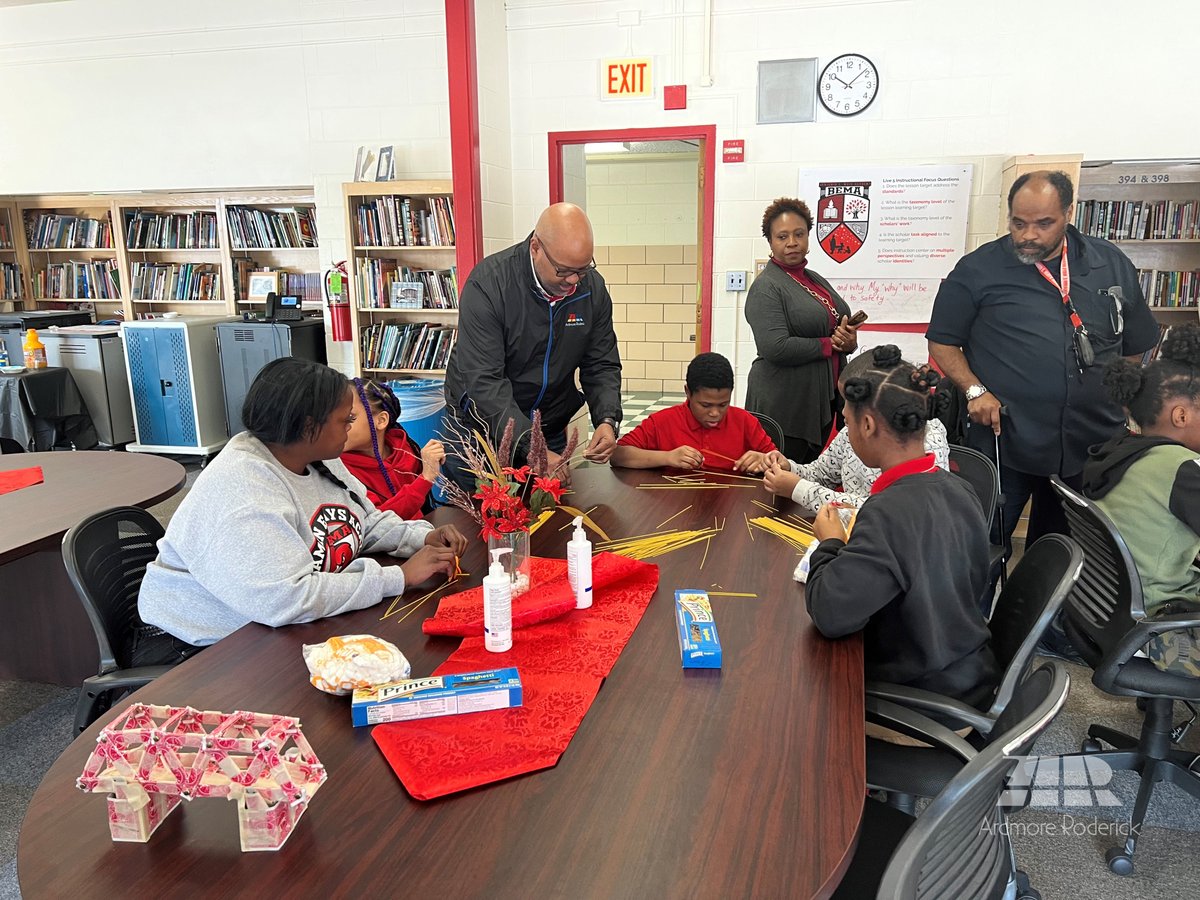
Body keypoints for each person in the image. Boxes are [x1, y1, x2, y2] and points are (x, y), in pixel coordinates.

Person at [137, 357, 467, 661]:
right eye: (345, 420)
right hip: (198, 647)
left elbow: (364, 520)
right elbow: (287, 599)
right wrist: (400, 577)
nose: (350, 428)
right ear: (308, 426)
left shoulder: (320, 458)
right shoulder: (245, 492)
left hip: (268, 624)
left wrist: (422, 538)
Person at [927, 170, 1159, 551]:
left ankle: (1047, 611)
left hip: (1091, 442)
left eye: (1043, 223)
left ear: (1068, 212)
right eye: (1018, 223)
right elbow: (943, 342)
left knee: (1068, 552)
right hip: (1008, 439)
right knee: (982, 545)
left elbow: (1136, 342)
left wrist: (1120, 391)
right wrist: (974, 390)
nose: (1028, 235)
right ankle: (977, 612)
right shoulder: (976, 270)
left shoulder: (1109, 263)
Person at [805, 345, 998, 710]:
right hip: (969, 675)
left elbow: (829, 613)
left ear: (867, 425)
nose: (846, 428)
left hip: (924, 699)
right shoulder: (961, 489)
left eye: (846, 422)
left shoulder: (888, 512)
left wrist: (829, 544)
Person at [443, 203, 622, 488]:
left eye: (583, 270)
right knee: (485, 521)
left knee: (549, 518)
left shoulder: (592, 290)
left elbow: (600, 363)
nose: (574, 281)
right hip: (482, 430)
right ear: (536, 247)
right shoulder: (489, 285)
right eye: (563, 271)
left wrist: (607, 418)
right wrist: (531, 446)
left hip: (547, 424)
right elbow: (485, 382)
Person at [1082, 323, 1200, 677]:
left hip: (1102, 612)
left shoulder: (1117, 451)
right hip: (1161, 628)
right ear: (1181, 415)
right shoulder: (1182, 470)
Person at [762, 348, 951, 514]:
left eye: (849, 404)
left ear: (868, 423)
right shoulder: (851, 430)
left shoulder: (926, 440)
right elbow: (821, 473)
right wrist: (789, 468)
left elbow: (883, 511)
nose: (843, 412)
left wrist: (800, 489)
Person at [745, 197, 860, 462]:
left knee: (807, 478)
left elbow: (836, 323)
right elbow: (774, 347)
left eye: (799, 234)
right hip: (785, 403)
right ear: (770, 242)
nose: (792, 242)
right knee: (782, 482)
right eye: (782, 236)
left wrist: (848, 342)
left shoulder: (812, 279)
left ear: (809, 236)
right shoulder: (767, 287)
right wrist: (830, 345)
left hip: (819, 396)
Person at [611, 352, 776, 473]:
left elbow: (778, 462)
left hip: (730, 507)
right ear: (688, 392)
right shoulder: (663, 422)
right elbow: (617, 456)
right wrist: (668, 457)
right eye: (705, 405)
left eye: (723, 404)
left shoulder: (745, 422)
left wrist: (764, 461)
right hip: (673, 505)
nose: (715, 413)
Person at [341, 377, 445, 519]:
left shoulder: (405, 449)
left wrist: (430, 462)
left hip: (422, 532)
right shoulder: (339, 471)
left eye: (350, 417)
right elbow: (377, 524)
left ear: (381, 420)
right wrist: (425, 478)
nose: (338, 425)